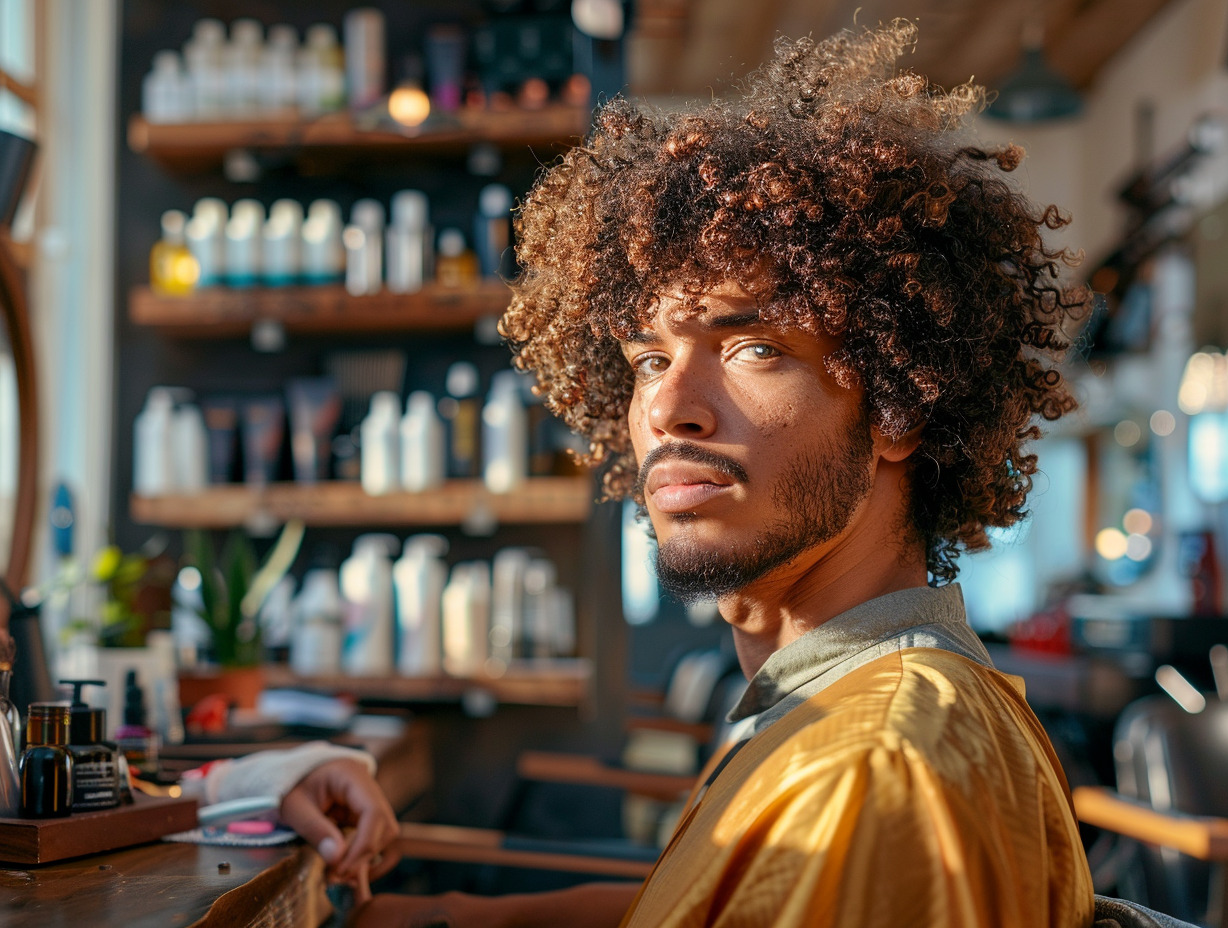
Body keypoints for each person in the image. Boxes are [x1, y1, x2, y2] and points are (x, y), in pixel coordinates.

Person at [217, 20, 1099, 926]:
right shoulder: (823, 702)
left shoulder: (874, 767)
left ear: (900, 411)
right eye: (647, 359)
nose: (669, 406)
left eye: (754, 347)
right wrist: (435, 919)